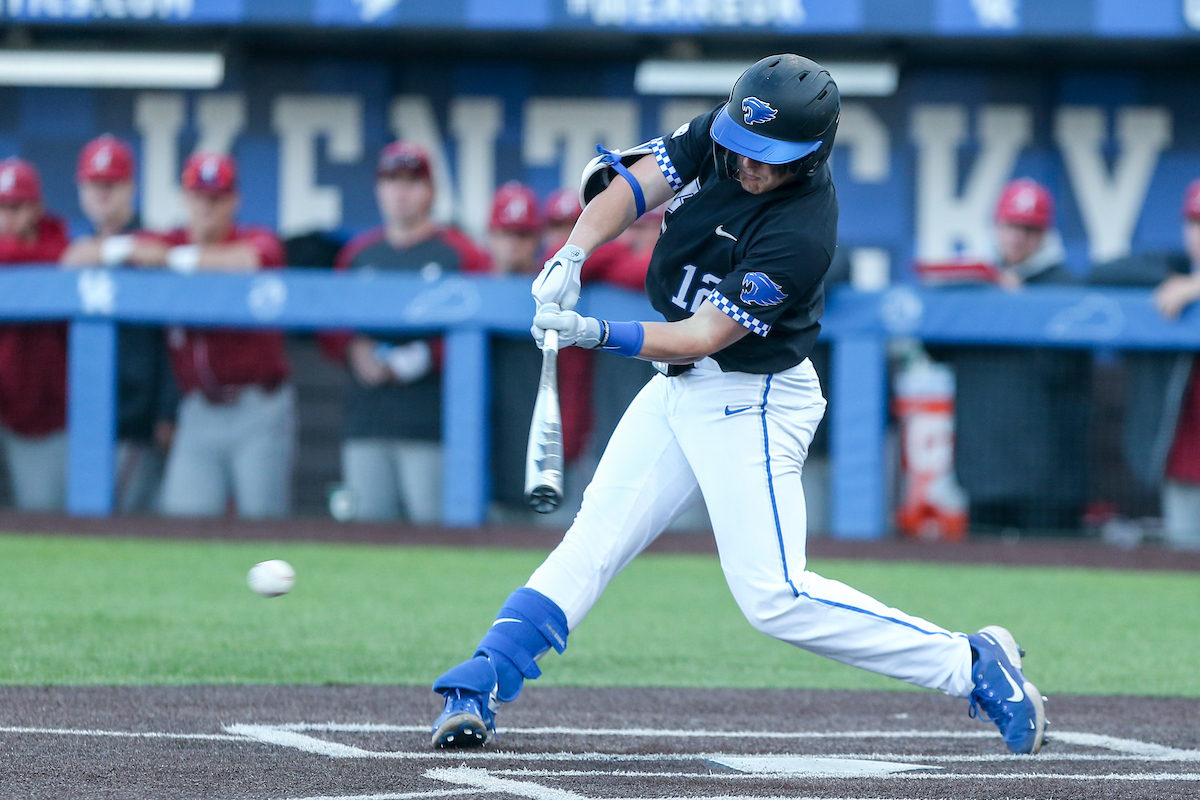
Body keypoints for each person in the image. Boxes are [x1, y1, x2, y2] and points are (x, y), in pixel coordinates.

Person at [427, 55, 1046, 756]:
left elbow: (704, 335)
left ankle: (970, 666)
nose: (747, 166)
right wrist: (570, 253)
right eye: (742, 149)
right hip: (679, 386)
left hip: (750, 395)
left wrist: (593, 332)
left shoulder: (803, 228)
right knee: (593, 540)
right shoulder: (720, 134)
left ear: (811, 156)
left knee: (775, 596)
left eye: (767, 158)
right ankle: (483, 675)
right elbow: (631, 188)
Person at [319, 142, 488, 522]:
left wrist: (427, 355)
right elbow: (329, 324)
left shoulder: (460, 253)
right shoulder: (359, 254)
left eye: (412, 181)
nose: (400, 191)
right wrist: (353, 348)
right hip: (367, 416)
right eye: (391, 180)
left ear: (430, 190)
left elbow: (482, 324)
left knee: (433, 531)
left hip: (432, 421)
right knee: (365, 531)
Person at [124, 152, 295, 518]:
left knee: (263, 524)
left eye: (216, 198)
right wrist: (156, 252)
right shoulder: (169, 237)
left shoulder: (252, 237)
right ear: (185, 199)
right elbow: (121, 250)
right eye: (198, 197)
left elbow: (254, 259)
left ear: (234, 200)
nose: (206, 207)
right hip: (199, 410)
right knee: (184, 520)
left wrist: (176, 259)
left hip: (258, 408)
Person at [927, 178, 1090, 533]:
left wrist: (1022, 305)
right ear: (996, 226)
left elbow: (1068, 371)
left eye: (1029, 229)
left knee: (1055, 580)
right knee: (980, 577)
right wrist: (950, 301)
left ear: (1045, 233)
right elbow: (935, 349)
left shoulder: (1066, 288)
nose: (1018, 237)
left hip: (1050, 477)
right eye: (1011, 225)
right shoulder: (975, 285)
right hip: (983, 465)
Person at [60, 135, 179, 513]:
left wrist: (167, 410)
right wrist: (123, 249)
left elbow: (174, 338)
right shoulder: (82, 247)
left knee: (130, 519)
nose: (103, 194)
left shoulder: (157, 243)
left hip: (141, 416)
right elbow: (67, 260)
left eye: (112, 185)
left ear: (131, 188)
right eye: (95, 185)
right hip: (87, 414)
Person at [1090, 177, 1200, 550]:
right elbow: (1102, 273)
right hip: (1186, 460)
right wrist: (1176, 281)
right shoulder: (1172, 268)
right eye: (1196, 223)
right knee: (1186, 573)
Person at [0, 157, 69, 511]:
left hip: (40, 419)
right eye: (2, 207)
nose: (8, 216)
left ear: (36, 208)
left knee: (40, 516)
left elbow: (64, 255)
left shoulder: (60, 244)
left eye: (17, 206)